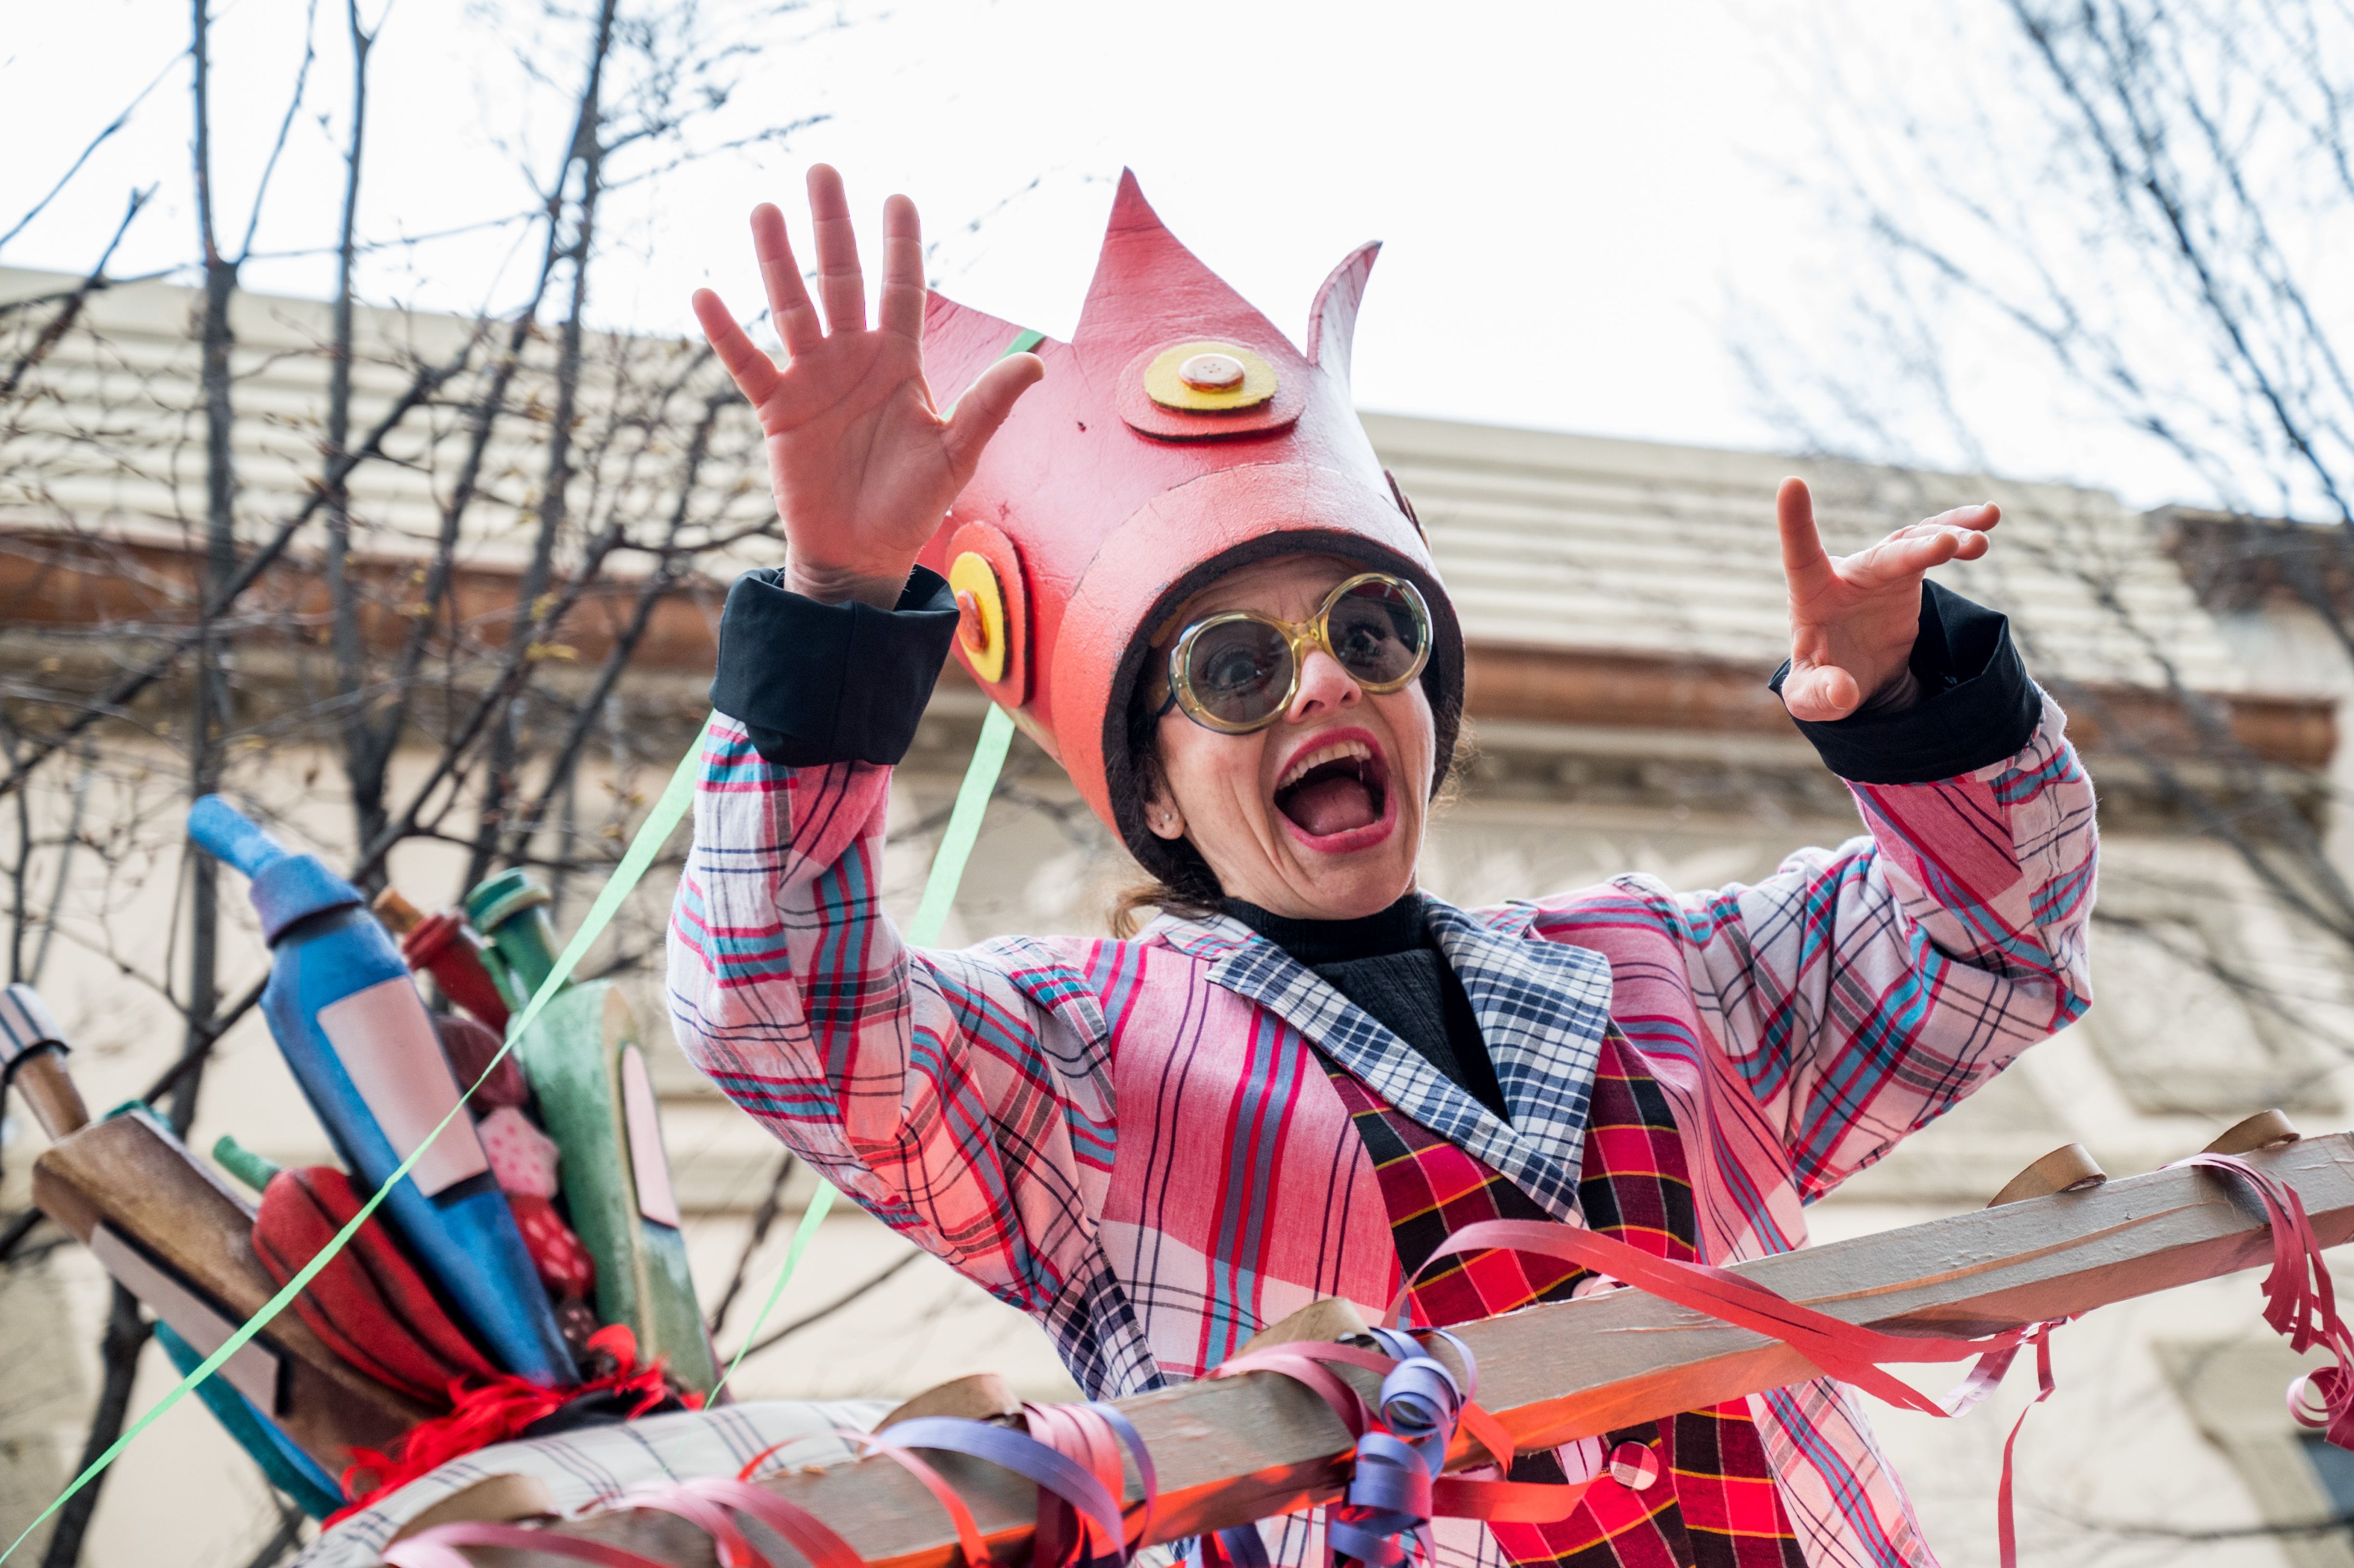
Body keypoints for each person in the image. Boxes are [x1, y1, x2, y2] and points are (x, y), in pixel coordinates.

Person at [668, 165, 2098, 1568]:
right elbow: (779, 1018)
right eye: (1233, 669)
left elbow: (1989, 951)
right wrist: (840, 608)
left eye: (1370, 634)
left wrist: (1923, 707)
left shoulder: (1663, 974)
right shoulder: (1078, 1067)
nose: (1322, 690)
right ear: (1153, 790)